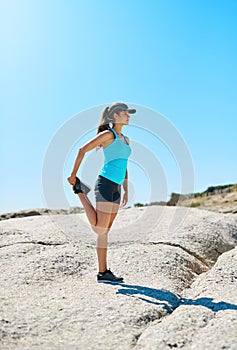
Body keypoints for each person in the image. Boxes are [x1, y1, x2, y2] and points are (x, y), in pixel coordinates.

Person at [67, 102, 136, 283]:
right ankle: (102, 272)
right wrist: (73, 175)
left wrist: (126, 187)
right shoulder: (108, 135)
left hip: (117, 187)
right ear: (115, 116)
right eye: (125, 113)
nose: (128, 116)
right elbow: (82, 149)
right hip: (105, 183)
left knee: (104, 229)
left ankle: (104, 272)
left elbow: (124, 164)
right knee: (100, 229)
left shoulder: (125, 139)